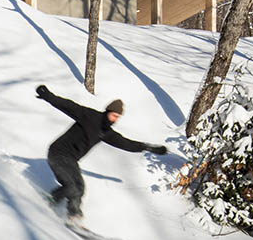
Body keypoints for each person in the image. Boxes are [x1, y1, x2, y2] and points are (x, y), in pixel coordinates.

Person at [36, 84, 168, 225]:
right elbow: (69, 106)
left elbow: (125, 143)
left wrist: (147, 147)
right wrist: (48, 96)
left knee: (79, 188)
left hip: (71, 159)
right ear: (108, 111)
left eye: (117, 117)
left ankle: (68, 213)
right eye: (114, 116)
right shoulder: (90, 116)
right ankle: (59, 206)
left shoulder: (106, 132)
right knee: (72, 186)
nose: (114, 120)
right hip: (58, 153)